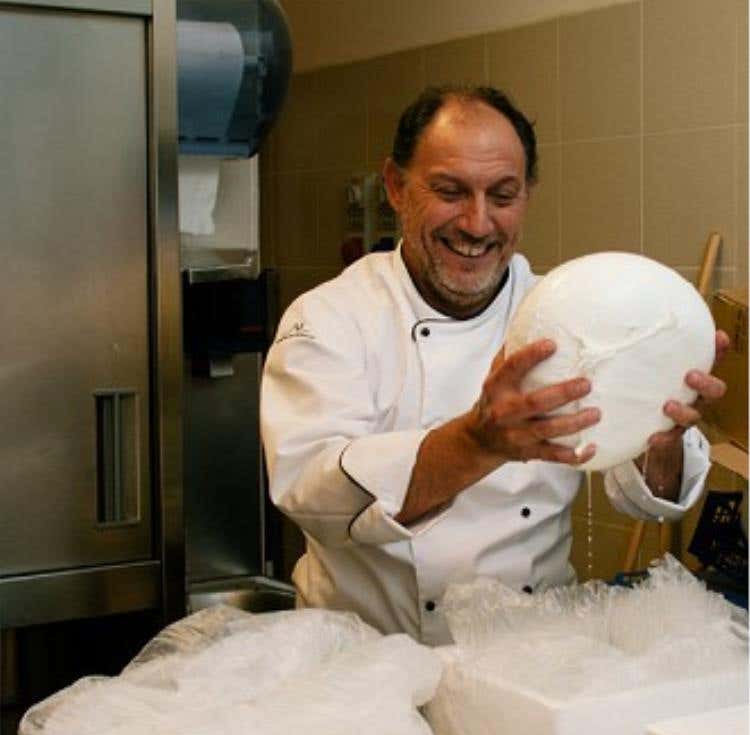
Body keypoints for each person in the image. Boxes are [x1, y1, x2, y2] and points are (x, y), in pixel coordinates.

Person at [261, 85, 727, 645]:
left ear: (527, 195)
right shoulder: (332, 318)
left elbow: (643, 502)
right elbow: (314, 497)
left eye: (502, 196)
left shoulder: (566, 314)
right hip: (371, 664)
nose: (478, 224)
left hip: (532, 658)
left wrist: (662, 436)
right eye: (450, 192)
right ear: (395, 186)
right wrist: (475, 444)